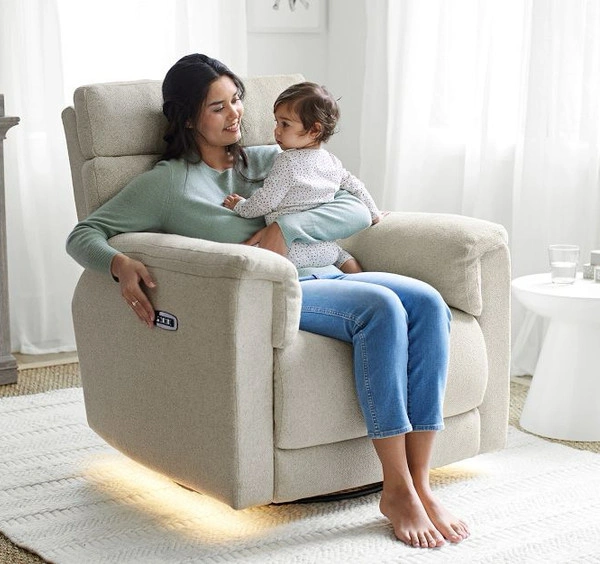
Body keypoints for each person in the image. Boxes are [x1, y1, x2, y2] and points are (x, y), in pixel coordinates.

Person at [66, 53, 469, 549]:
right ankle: (397, 488)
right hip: (278, 292)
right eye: (218, 106)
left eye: (236, 100)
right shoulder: (168, 183)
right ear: (189, 118)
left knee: (427, 302)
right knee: (381, 308)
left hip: (324, 271)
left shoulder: (271, 157)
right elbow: (85, 233)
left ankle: (422, 484)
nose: (235, 113)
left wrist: (287, 227)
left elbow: (353, 206)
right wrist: (119, 263)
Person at [223, 81, 381, 274]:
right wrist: (375, 214)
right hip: (324, 247)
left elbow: (266, 201)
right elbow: (356, 186)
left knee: (246, 255)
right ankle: (357, 276)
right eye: (277, 122)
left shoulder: (287, 162)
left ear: (314, 130)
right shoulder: (332, 161)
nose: (277, 130)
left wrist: (240, 206)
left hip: (291, 249)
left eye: (285, 124)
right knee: (342, 255)